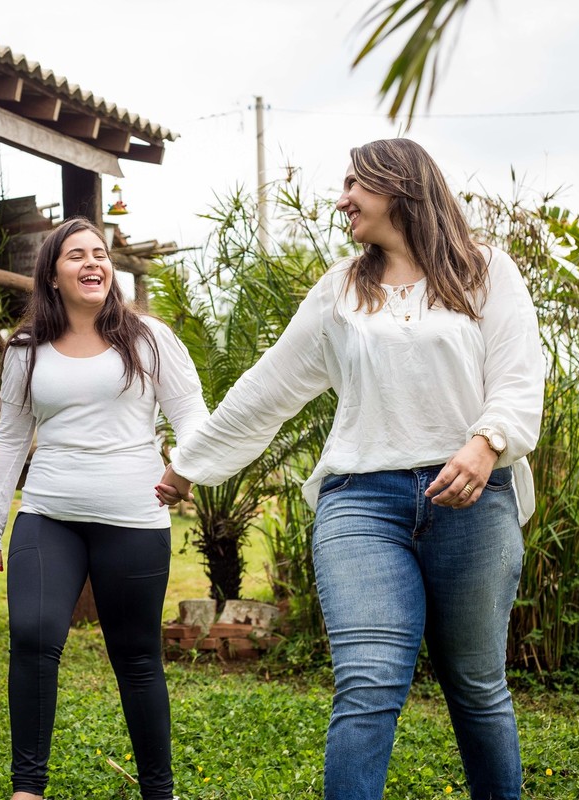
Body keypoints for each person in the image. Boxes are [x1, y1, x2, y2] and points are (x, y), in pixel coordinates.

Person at [157, 138, 545, 800]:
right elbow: (269, 385)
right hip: (362, 505)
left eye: (353, 185)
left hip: (474, 504)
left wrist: (487, 443)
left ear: (400, 186)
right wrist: (189, 464)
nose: (342, 200)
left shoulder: (487, 272)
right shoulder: (341, 289)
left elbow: (518, 373)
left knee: (478, 687)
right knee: (367, 683)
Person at [0, 216, 208, 800]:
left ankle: (159, 790)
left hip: (133, 516)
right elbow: (9, 439)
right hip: (49, 513)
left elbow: (193, 415)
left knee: (136, 657)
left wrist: (186, 469)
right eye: (76, 255)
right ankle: (27, 788)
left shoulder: (149, 338)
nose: (92, 263)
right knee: (31, 635)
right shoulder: (26, 349)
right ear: (52, 275)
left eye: (99, 254)